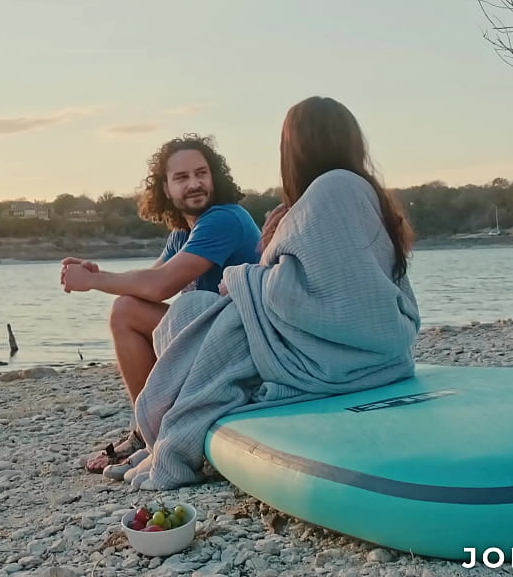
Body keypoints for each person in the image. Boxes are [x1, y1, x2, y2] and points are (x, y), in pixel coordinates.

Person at [123, 96, 421, 490]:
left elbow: (322, 297)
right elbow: (318, 279)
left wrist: (245, 279)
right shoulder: (349, 192)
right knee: (196, 309)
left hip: (344, 356)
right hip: (352, 349)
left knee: (206, 317)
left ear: (297, 147)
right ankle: (161, 432)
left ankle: (170, 440)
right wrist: (264, 258)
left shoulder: (333, 189)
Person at [59, 134, 262, 473]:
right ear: (165, 189)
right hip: (215, 342)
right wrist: (99, 272)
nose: (195, 184)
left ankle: (151, 435)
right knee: (127, 309)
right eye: (182, 178)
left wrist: (94, 281)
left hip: (247, 346)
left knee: (128, 309)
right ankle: (147, 432)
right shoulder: (182, 234)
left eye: (201, 173)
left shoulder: (225, 218)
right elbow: (149, 286)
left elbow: (161, 284)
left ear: (215, 177)